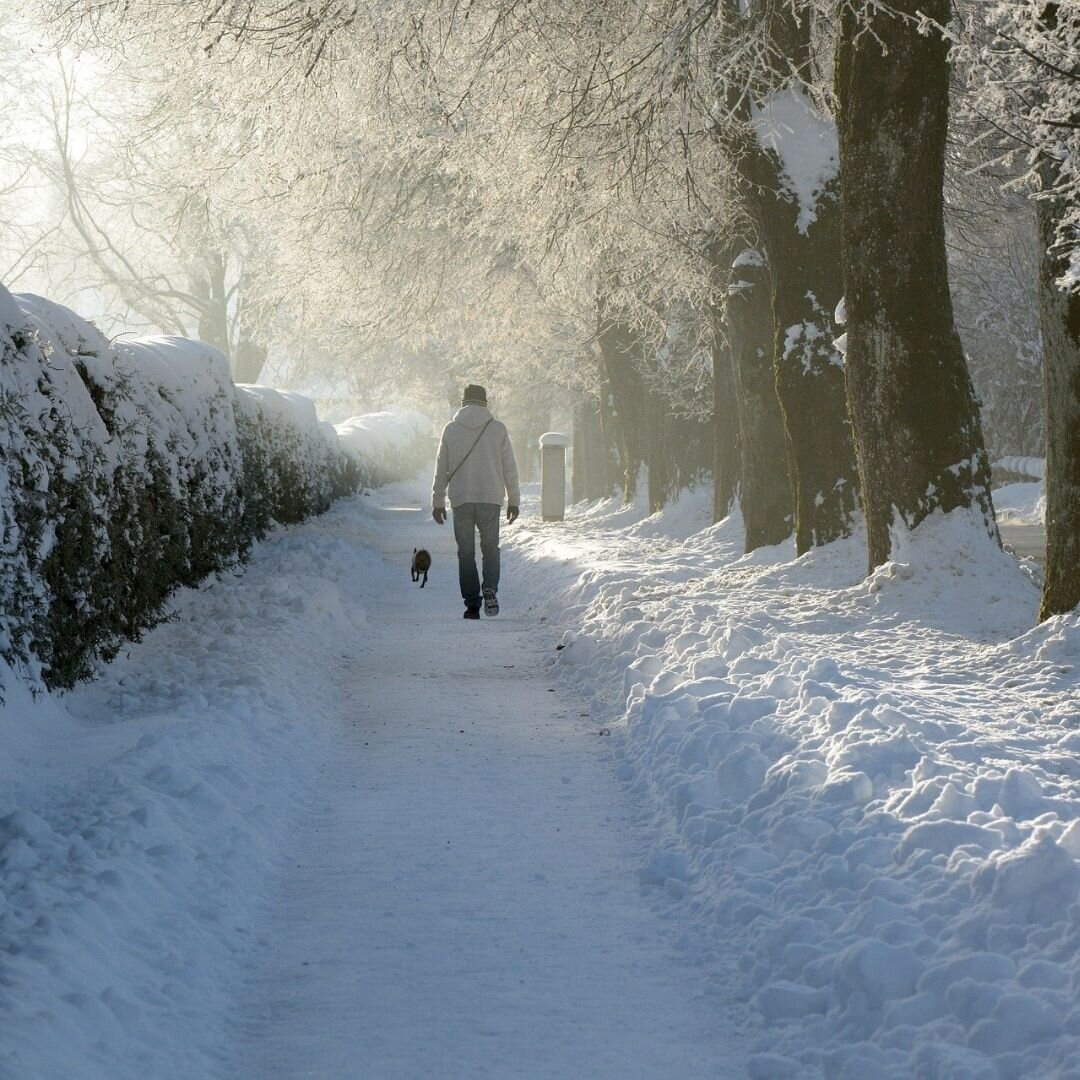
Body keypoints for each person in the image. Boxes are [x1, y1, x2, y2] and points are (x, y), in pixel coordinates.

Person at [432, 384, 520, 619]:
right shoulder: (498, 429)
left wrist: (437, 500)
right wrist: (514, 500)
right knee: (490, 548)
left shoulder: (450, 429)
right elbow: (509, 468)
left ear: (463, 402)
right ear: (485, 402)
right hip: (490, 498)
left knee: (466, 553)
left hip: (461, 498)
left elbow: (441, 468)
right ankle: (490, 586)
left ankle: (472, 604)